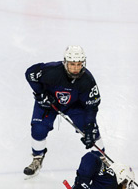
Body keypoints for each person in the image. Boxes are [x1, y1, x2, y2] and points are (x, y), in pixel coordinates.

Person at [24, 45, 101, 177]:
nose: (76, 68)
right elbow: (30, 74)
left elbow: (92, 106)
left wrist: (89, 127)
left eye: (79, 64)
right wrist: (41, 93)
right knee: (39, 129)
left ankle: (102, 160)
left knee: (91, 132)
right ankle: (37, 158)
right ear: (65, 62)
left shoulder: (87, 80)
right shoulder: (52, 71)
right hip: (49, 103)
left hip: (74, 105)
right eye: (72, 64)